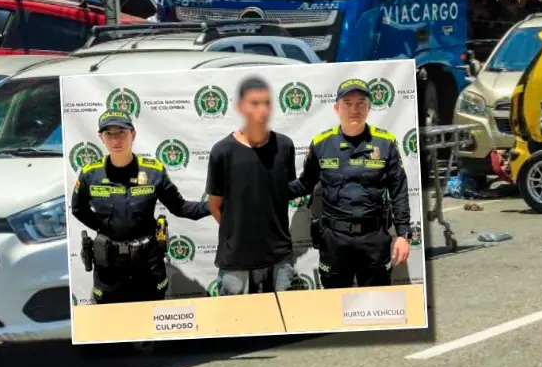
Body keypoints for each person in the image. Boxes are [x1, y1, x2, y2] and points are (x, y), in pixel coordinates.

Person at [71, 110, 210, 304]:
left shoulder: (153, 171)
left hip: (148, 264)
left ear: (133, 134)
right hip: (109, 267)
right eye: (108, 134)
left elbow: (181, 207)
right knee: (110, 322)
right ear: (101, 138)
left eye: (121, 132)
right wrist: (106, 226)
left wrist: (217, 204)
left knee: (152, 320)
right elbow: (78, 209)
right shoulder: (89, 174)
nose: (115, 139)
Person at [288, 79, 412, 288]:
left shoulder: (385, 142)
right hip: (334, 240)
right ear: (337, 108)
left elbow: (398, 191)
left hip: (374, 239)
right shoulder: (321, 144)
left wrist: (403, 235)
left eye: (361, 103)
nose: (354, 109)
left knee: (378, 304)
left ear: (369, 107)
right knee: (335, 305)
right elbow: (304, 185)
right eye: (348, 103)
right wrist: (267, 188)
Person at [205, 76, 298, 295]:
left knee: (282, 324)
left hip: (279, 258)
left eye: (266, 103)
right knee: (237, 324)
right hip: (236, 262)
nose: (262, 110)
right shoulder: (222, 151)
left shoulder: (284, 146)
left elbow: (283, 193)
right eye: (255, 103)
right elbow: (215, 206)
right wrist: (241, 233)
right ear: (240, 107)